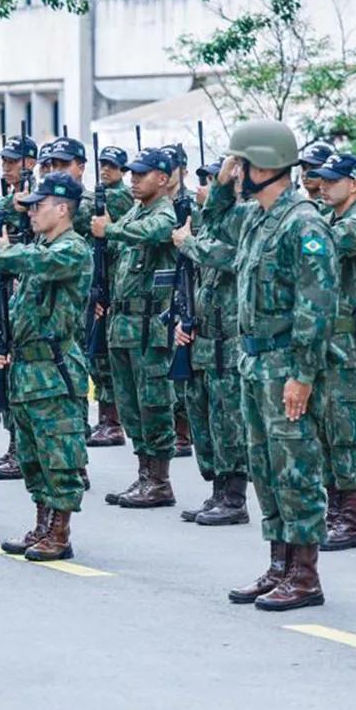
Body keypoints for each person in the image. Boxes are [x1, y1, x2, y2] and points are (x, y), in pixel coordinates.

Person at [216, 121, 336, 612]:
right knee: (265, 467)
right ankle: (279, 565)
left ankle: (305, 574)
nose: (235, 172)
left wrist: (303, 374)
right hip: (255, 361)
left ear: (262, 165)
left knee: (295, 468)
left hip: (287, 362)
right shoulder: (258, 218)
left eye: (240, 164)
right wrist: (220, 190)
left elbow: (317, 305)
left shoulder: (303, 223)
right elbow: (215, 229)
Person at [0, 172, 92, 560]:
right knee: (31, 455)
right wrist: (3, 345)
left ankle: (60, 532)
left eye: (39, 205)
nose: (32, 212)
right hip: (26, 369)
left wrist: (4, 250)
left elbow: (41, 263)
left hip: (55, 370)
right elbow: (21, 308)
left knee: (59, 454)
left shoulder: (72, 249)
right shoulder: (40, 246)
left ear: (62, 208)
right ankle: (42, 522)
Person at [91, 147, 180, 509]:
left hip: (149, 325)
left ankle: (159, 480)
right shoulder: (134, 212)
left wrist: (110, 229)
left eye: (141, 174)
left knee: (153, 403)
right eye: (132, 174)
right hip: (123, 324)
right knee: (130, 405)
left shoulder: (164, 213)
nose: (133, 180)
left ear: (162, 178)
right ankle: (145, 474)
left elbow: (154, 233)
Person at [307, 152, 356, 550]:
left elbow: (317, 246)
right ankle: (333, 510)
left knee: (347, 428)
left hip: (346, 340)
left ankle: (350, 519)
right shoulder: (330, 218)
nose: (322, 186)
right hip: (322, 338)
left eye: (331, 180)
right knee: (323, 426)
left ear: (354, 184)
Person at [172, 157, 250, 526]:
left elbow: (235, 260)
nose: (202, 185)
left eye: (211, 179)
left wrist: (190, 245)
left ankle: (234, 498)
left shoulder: (245, 218)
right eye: (201, 178)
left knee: (228, 420)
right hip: (203, 337)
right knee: (203, 418)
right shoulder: (206, 224)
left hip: (229, 340)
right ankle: (217, 490)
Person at [87, 146, 133, 448]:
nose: (105, 170)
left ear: (122, 171)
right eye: (102, 164)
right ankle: (106, 418)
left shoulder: (118, 196)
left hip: (113, 276)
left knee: (103, 357)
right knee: (97, 354)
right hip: (103, 273)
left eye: (112, 166)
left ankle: (112, 421)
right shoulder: (101, 195)